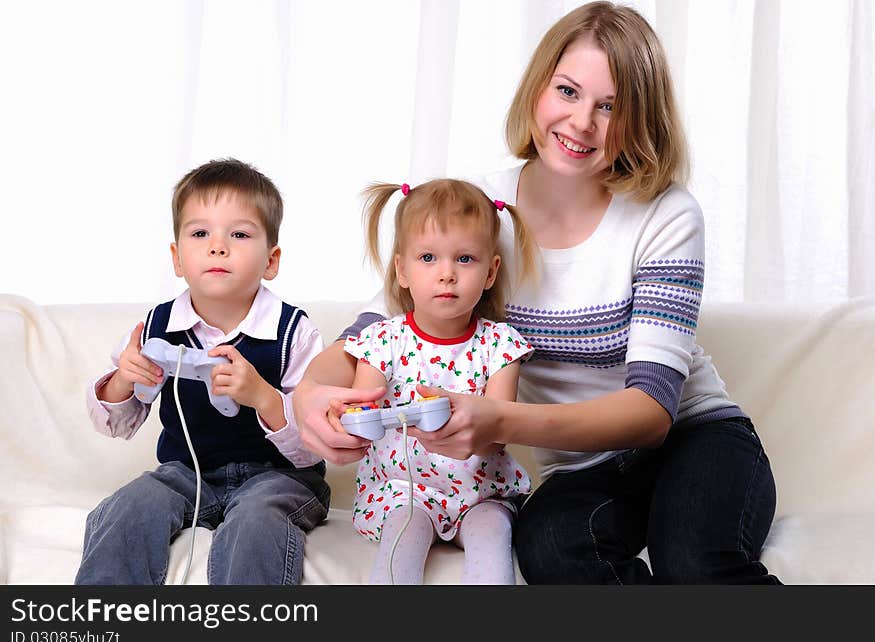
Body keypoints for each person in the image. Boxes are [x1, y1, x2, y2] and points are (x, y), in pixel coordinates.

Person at [294, 1, 779, 585]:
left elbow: (652, 412)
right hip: (586, 469)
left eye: (611, 107)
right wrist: (309, 394)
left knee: (694, 562)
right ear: (538, 88)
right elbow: (369, 334)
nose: (581, 123)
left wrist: (499, 420)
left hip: (699, 440)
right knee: (550, 548)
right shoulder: (482, 206)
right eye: (569, 92)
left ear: (640, 121)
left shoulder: (666, 214)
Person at [77, 158, 330, 585]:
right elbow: (115, 424)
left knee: (257, 519)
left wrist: (263, 397)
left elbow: (313, 448)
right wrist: (124, 379)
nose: (218, 246)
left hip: (277, 478)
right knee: (131, 504)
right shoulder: (155, 327)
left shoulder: (294, 333)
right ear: (177, 258)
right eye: (200, 233)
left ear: (271, 260)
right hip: (186, 474)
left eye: (239, 234)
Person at [332, 179, 537, 584]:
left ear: (491, 271)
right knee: (401, 542)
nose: (447, 274)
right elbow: (363, 409)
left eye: (464, 259)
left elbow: (495, 437)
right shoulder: (380, 341)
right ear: (402, 270)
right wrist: (357, 420)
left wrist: (451, 419)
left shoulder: (500, 346)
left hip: (480, 492)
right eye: (428, 258)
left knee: (494, 536)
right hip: (404, 489)